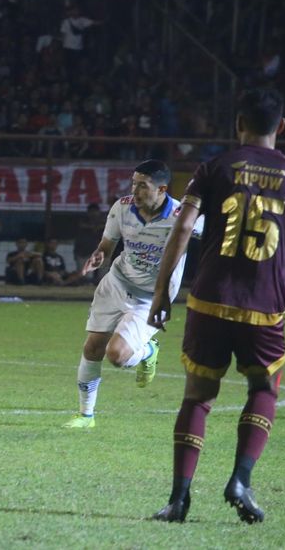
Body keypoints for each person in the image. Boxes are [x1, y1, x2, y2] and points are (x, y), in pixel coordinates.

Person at [147, 87, 285, 523]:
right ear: (280, 127)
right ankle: (241, 480)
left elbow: (185, 227)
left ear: (238, 124)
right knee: (263, 389)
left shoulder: (214, 167)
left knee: (198, 397)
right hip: (265, 302)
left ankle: (178, 500)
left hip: (209, 298)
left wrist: (160, 292)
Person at [62, 160, 202, 429]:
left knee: (116, 355)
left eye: (142, 186)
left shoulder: (182, 215)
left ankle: (148, 351)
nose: (135, 191)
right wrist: (99, 254)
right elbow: (108, 243)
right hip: (116, 282)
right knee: (92, 347)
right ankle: (85, 415)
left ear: (162, 189)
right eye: (133, 183)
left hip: (152, 297)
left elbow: (216, 237)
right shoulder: (122, 207)